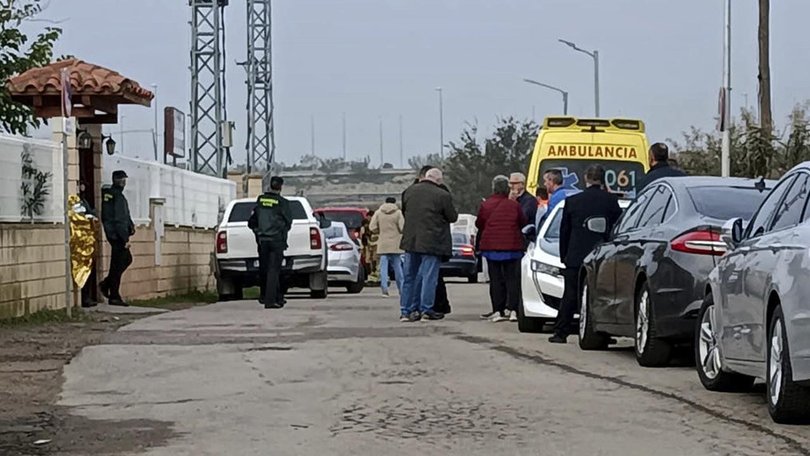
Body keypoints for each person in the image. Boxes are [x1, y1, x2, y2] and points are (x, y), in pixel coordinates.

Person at [550, 165, 622, 343]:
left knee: (570, 295)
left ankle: (561, 332)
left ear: (585, 178)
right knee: (599, 295)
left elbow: (564, 231)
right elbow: (618, 228)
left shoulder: (573, 201)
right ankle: (602, 333)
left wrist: (564, 256)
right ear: (603, 179)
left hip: (576, 255)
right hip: (601, 256)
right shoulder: (611, 201)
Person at [400, 168, 459, 322]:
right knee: (428, 277)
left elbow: (405, 211)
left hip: (411, 240)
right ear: (439, 181)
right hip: (432, 242)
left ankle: (406, 311)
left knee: (409, 277)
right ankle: (426, 309)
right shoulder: (442, 195)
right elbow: (452, 217)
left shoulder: (408, 192)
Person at [477, 175, 527, 322]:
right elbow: (522, 222)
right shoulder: (514, 205)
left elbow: (479, 224)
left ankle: (498, 310)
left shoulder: (486, 205)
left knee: (496, 280)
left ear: (493, 188)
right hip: (512, 247)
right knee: (512, 279)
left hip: (492, 248)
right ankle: (513, 310)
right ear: (508, 189)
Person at [248, 176, 293, 309]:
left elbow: (252, 221)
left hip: (262, 240)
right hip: (276, 240)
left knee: (265, 269)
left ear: (270, 186)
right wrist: (282, 232)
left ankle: (275, 297)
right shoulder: (283, 202)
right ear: (280, 187)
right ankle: (270, 300)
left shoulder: (261, 200)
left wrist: (258, 232)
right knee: (274, 270)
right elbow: (288, 222)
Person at [99, 170, 135, 307]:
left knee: (124, 261)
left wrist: (130, 226)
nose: (124, 182)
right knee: (118, 264)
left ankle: (107, 284)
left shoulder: (118, 195)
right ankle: (113, 294)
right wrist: (124, 238)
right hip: (118, 236)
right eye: (121, 180)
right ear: (116, 180)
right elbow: (118, 219)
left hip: (118, 235)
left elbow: (125, 216)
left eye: (124, 180)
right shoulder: (115, 195)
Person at [370, 197, 404, 297]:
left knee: (383, 268)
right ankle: (401, 289)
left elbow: (372, 227)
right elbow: (402, 227)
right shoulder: (398, 213)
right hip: (395, 243)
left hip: (383, 243)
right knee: (398, 268)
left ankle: (384, 289)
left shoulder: (378, 212)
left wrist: (379, 231)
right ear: (394, 202)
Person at [77, 181, 99, 308]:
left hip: (88, 239)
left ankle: (87, 296)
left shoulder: (84, 201)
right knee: (83, 270)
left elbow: (91, 213)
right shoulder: (76, 202)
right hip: (81, 240)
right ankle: (85, 298)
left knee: (89, 269)